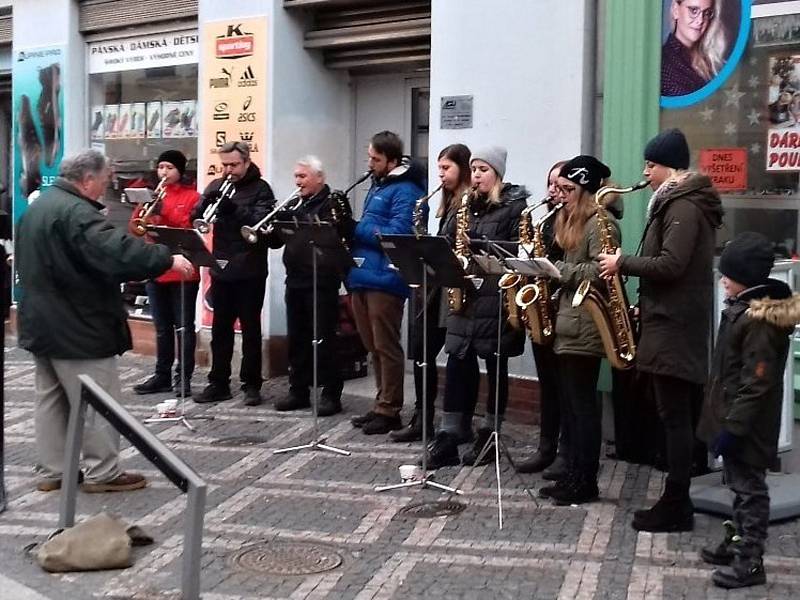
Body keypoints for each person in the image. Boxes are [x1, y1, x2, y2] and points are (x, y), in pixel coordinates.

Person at [16, 149, 194, 493]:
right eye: (104, 180)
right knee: (99, 401)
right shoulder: (76, 213)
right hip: (78, 323)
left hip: (40, 320)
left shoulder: (40, 206)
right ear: (86, 180)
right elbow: (115, 251)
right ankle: (103, 472)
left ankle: (53, 471)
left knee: (50, 399)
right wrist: (165, 259)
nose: (106, 186)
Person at [599, 128, 723, 531]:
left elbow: (671, 265)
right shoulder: (675, 203)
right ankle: (676, 499)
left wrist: (623, 264)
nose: (645, 172)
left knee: (674, 417)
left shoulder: (683, 207)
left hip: (675, 327)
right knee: (673, 415)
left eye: (651, 165)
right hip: (668, 319)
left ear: (670, 168)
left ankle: (676, 503)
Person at [697, 232, 799, 589]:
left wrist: (733, 428)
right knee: (737, 484)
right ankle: (736, 540)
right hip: (730, 416)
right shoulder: (741, 309)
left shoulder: (759, 321)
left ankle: (751, 561)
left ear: (745, 278)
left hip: (748, 425)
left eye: (728, 274)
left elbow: (757, 383)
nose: (722, 279)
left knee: (750, 490)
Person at [425, 146, 528, 468]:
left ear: (497, 173)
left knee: (495, 365)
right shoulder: (465, 204)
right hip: (465, 296)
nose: (478, 175)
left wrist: (479, 245)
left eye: (484, 169)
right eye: (475, 169)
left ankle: (490, 433)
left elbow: (518, 250)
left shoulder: (515, 207)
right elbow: (446, 239)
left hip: (496, 299)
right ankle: (450, 433)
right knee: (457, 360)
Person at [539, 155, 619, 506]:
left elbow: (602, 272)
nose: (562, 195)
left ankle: (585, 480)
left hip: (586, 322)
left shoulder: (601, 224)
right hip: (569, 321)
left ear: (586, 190)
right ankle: (573, 474)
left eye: (569, 189)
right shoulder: (574, 221)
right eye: (560, 188)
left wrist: (557, 272)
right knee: (571, 406)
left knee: (583, 408)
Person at [391, 143, 472, 443]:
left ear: (462, 168)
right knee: (422, 351)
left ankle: (454, 423)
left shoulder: (466, 203)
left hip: (453, 292)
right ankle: (421, 417)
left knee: (454, 357)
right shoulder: (447, 202)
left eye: (446, 168)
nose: (441, 175)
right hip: (436, 289)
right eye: (438, 168)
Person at [348, 131, 425, 435]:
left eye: (375, 159)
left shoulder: (405, 191)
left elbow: (396, 234)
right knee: (371, 345)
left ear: (392, 161)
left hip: (387, 278)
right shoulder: (379, 186)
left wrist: (355, 229)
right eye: (369, 157)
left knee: (386, 345)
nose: (370, 163)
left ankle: (390, 408)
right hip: (365, 275)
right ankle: (381, 403)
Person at [192, 141, 275, 406]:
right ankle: (218, 383)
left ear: (247, 162)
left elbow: (260, 225)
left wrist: (233, 209)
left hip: (250, 269)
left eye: (234, 165)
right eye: (224, 165)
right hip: (222, 266)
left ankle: (252, 384)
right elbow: (197, 215)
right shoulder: (217, 185)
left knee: (250, 329)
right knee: (220, 330)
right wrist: (204, 204)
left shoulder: (261, 189)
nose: (228, 170)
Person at [270, 156, 344, 416]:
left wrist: (299, 221)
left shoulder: (332, 202)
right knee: (297, 338)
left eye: (303, 176)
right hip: (296, 278)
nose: (297, 181)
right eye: (296, 176)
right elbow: (276, 242)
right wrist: (277, 223)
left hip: (322, 280)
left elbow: (334, 235)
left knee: (324, 338)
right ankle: (298, 390)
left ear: (319, 178)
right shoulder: (296, 202)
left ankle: (331, 394)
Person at [132, 150, 201, 398]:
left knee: (184, 327)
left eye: (169, 167)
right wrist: (147, 213)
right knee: (161, 328)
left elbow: (188, 230)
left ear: (180, 171)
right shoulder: (151, 196)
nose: (164, 172)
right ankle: (161, 375)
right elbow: (137, 228)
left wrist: (164, 215)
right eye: (161, 167)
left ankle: (183, 377)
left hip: (183, 273)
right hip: (157, 268)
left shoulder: (193, 197)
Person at [516, 160, 568, 475]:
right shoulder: (545, 220)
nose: (552, 190)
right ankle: (545, 446)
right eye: (550, 184)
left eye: (560, 185)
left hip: (563, 311)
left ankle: (565, 449)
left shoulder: (574, 221)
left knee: (564, 386)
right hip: (541, 310)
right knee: (548, 384)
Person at [661, 0, 727, 97]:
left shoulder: (708, 60)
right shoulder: (665, 64)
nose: (700, 20)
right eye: (694, 10)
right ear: (676, 10)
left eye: (707, 13)